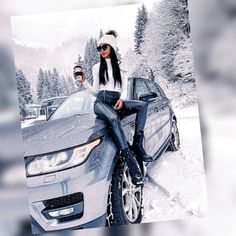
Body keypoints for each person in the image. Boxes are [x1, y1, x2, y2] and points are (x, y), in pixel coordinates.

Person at [74, 30, 153, 186]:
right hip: (101, 103)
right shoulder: (97, 67)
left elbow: (122, 88)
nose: (101, 51)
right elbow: (96, 91)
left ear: (112, 47)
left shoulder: (121, 67)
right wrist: (84, 82)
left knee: (142, 106)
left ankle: (137, 144)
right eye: (99, 48)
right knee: (113, 118)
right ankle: (133, 166)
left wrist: (122, 100)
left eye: (104, 47)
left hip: (116, 101)